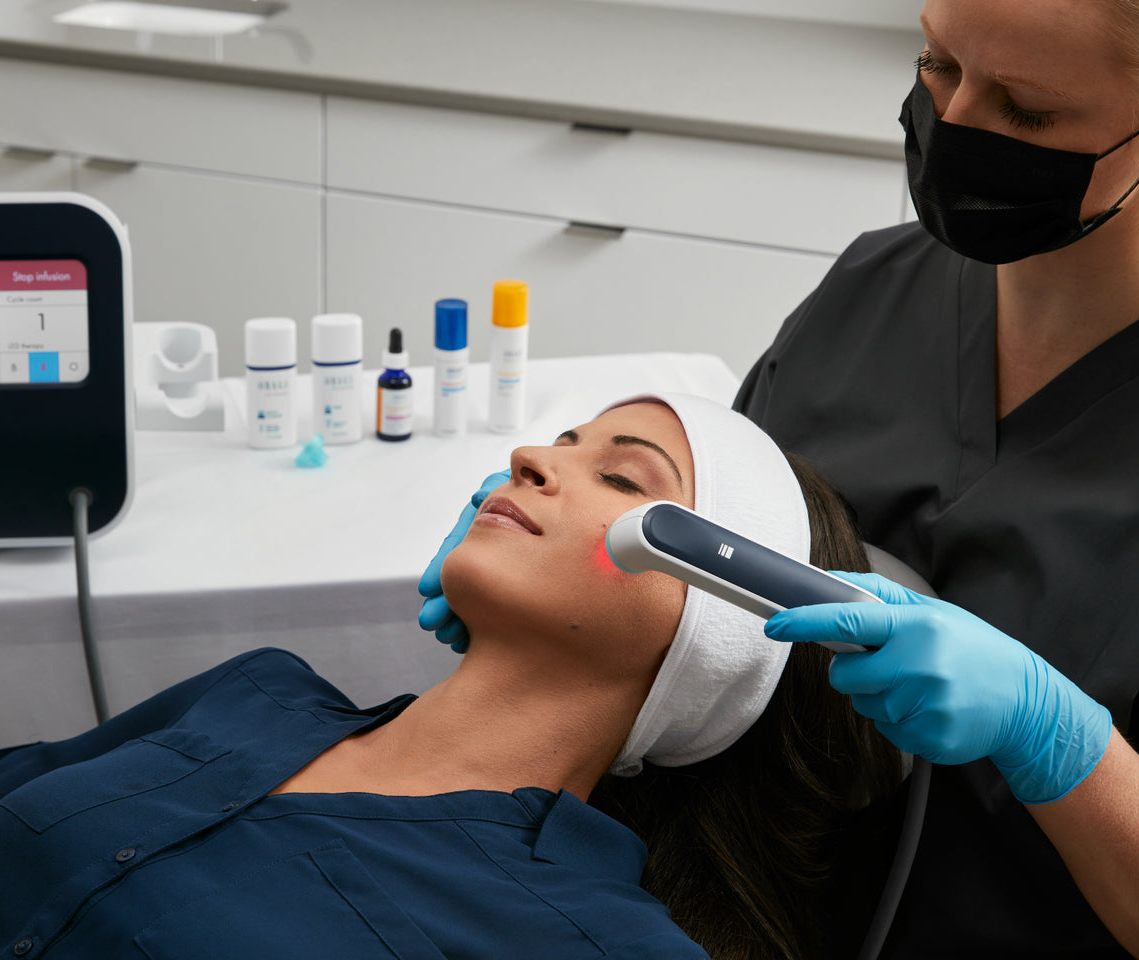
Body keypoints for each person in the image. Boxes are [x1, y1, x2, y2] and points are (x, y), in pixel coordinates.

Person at [414, 1, 1139, 956]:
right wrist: (546, 589)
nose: (955, 122)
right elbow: (711, 570)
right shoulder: (873, 287)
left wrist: (1060, 743)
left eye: (1027, 109)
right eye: (936, 62)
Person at [0, 394, 899, 960]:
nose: (535, 454)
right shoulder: (254, 700)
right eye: (562, 439)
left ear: (716, 628)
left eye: (624, 479)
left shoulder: (597, 941)